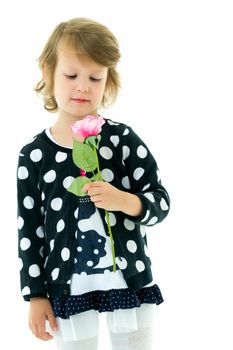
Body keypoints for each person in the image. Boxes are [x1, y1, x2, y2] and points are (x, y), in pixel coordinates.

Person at [17, 17, 170, 350]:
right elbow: (29, 230)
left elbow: (160, 202)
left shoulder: (122, 139)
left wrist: (126, 201)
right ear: (48, 72)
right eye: (71, 75)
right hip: (67, 285)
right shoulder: (34, 155)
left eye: (95, 77)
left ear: (108, 79)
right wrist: (36, 295)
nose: (82, 86)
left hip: (129, 279)